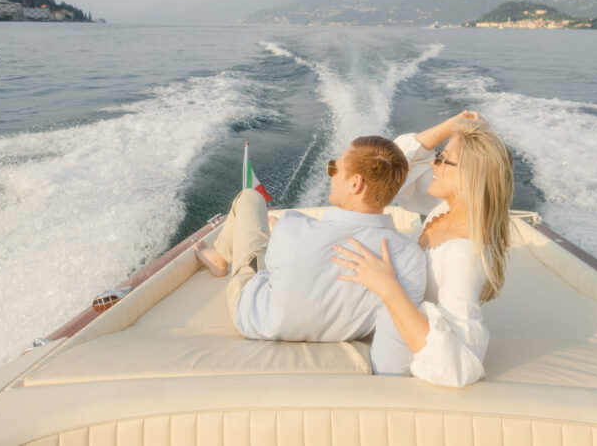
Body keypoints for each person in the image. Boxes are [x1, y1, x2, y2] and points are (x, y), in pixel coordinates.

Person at [194, 136, 427, 375]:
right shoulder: (409, 258)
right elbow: (391, 365)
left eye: (334, 168)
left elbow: (270, 274)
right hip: (337, 332)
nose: (331, 176)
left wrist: (281, 233)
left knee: (250, 198)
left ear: (355, 183)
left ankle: (219, 259)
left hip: (255, 320)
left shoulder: (293, 227)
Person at [332, 111, 513, 387]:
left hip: (398, 337)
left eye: (442, 159)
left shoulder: (462, 255)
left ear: (469, 176)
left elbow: (458, 365)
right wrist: (451, 126)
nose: (433, 163)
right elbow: (392, 169)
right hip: (385, 312)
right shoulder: (446, 208)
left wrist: (387, 287)